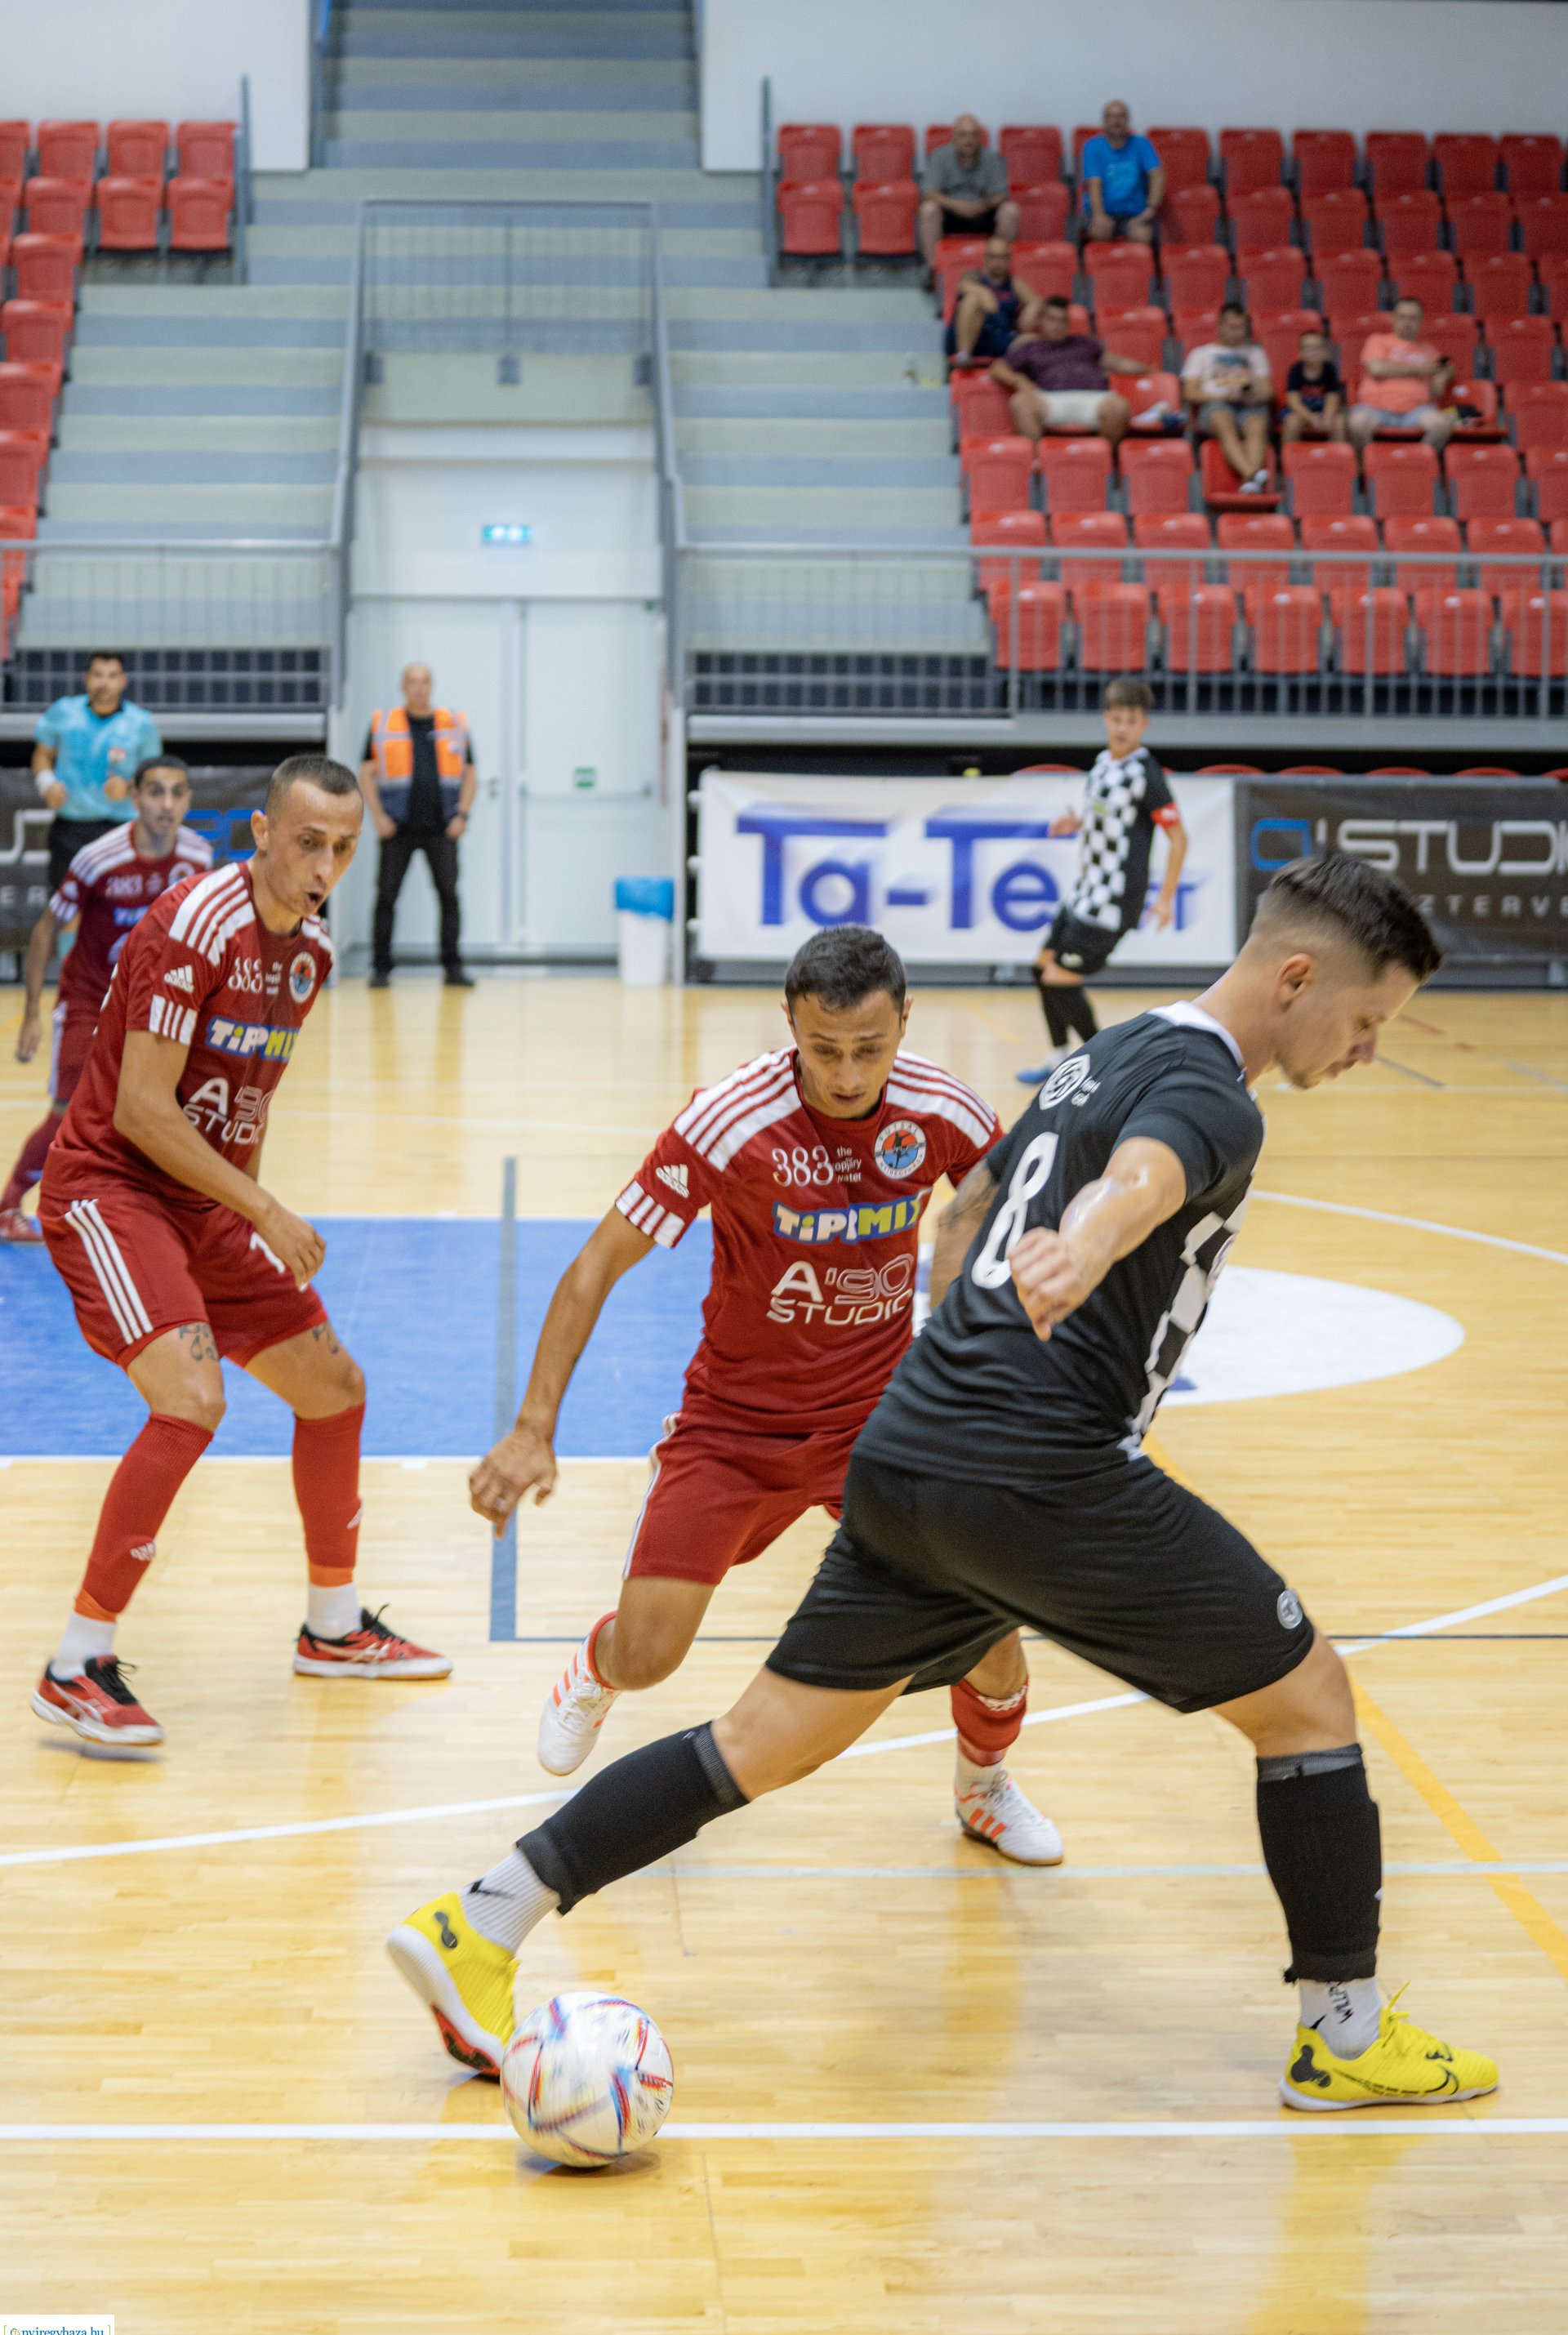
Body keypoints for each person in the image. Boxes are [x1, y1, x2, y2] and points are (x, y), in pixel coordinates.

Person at [390, 856, 1499, 2118]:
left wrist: (965, 1325)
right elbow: (1144, 1179)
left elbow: (969, 1200)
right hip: (1037, 1464)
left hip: (908, 1450)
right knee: (1309, 1701)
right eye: (1364, 1024)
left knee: (754, 1745)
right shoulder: (1212, 1098)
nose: (1362, 1051)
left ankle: (481, 1918)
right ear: (1297, 977)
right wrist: (1085, 1245)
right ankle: (1342, 2038)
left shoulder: (1111, 1046)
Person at [467, 925, 1061, 1896]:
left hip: (881, 1424)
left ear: (904, 1022)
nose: (845, 1073)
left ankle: (984, 1786)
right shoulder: (728, 1120)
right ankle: (597, 1668)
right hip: (734, 1429)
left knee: (988, 1622)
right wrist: (533, 1428)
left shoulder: (945, 1110)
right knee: (651, 1653)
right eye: (823, 1049)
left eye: (870, 1049)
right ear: (790, 1023)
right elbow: (594, 1268)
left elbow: (1012, 1217)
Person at [31, 754, 450, 1753]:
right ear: (261, 833)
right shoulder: (191, 926)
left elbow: (243, 1105)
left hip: (203, 1206)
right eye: (308, 841)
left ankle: (334, 1630)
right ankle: (75, 1663)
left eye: (344, 848)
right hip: (111, 1185)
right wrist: (262, 1209)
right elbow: (140, 1107)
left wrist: (238, 1216)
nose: (325, 865)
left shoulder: (311, 948)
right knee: (192, 1399)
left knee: (334, 1389)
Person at [1, 757, 211, 1245]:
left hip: (151, 1008)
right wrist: (32, 1013)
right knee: (66, 1110)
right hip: (88, 1000)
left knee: (164, 1109)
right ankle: (9, 1202)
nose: (166, 804)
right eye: (155, 792)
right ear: (135, 798)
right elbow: (46, 928)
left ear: (188, 802)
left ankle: (147, 1208)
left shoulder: (199, 857)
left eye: (177, 793)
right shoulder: (100, 857)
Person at [1017, 677, 1186, 1085]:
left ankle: (1103, 1065)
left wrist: (1165, 899)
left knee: (1060, 977)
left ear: (1144, 724)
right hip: (1086, 891)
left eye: (1131, 720)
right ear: (1106, 719)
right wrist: (1077, 822)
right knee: (1041, 970)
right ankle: (1059, 1057)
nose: (1122, 727)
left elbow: (1179, 837)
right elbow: (1108, 820)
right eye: (1116, 719)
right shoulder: (1102, 764)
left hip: (1114, 900)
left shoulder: (1147, 774)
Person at [360, 663, 477, 989]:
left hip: (443, 828)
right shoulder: (384, 723)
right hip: (397, 829)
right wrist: (378, 817)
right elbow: (366, 773)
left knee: (449, 896)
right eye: (413, 682)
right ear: (403, 686)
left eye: (424, 682)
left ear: (432, 685)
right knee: (386, 897)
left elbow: (470, 774)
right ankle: (381, 968)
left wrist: (462, 814)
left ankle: (453, 966)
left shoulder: (453, 724)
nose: (419, 688)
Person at [33, 653, 163, 895]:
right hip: (71, 826)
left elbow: (154, 775)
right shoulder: (64, 712)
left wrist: (130, 787)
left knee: (119, 906)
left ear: (123, 681)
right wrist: (47, 784)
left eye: (112, 676)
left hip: (121, 828)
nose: (104, 682)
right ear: (86, 678)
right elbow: (42, 755)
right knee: (66, 909)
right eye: (98, 675)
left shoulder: (141, 722)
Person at [989, 294, 1149, 449]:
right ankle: (1038, 465)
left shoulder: (1084, 344)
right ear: (1041, 321)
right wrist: (1019, 381)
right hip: (1049, 400)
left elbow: (1117, 362)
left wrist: (1151, 370)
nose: (1057, 325)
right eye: (1052, 319)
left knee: (1119, 407)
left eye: (1063, 320)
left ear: (1068, 324)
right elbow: (997, 368)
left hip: (1093, 399)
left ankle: (1102, 461)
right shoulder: (1030, 347)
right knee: (1020, 403)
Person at [1183, 303, 1275, 492]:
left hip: (1249, 405)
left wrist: (1253, 396)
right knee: (1223, 420)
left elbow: (1268, 391)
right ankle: (1252, 473)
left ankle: (1250, 480)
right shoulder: (1200, 354)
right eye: (1233, 327)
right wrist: (1222, 394)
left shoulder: (1256, 353)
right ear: (1220, 326)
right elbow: (1190, 393)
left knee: (1257, 423)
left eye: (1242, 327)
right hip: (1216, 404)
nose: (1238, 332)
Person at [919, 116, 1018, 286]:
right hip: (950, 213)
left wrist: (983, 205)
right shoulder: (940, 156)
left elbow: (1001, 195)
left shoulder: (992, 158)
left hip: (983, 212)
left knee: (1011, 210)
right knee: (928, 210)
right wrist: (957, 206)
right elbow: (929, 192)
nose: (968, 140)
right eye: (963, 135)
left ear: (980, 137)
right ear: (954, 137)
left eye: (973, 135)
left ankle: (997, 269)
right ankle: (934, 270)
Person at [1348, 298, 1454, 453]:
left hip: (1416, 411)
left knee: (1441, 425)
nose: (1407, 322)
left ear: (1421, 321)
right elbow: (1377, 369)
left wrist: (1443, 376)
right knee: (1358, 423)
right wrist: (1419, 370)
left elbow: (1447, 368)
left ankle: (1415, 464)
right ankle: (1369, 468)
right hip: (1375, 408)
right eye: (1402, 317)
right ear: (1394, 319)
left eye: (1413, 318)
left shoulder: (1428, 349)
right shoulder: (1378, 340)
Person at [1080, 102, 1165, 246]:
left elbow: (1158, 175)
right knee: (1100, 231)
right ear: (1104, 121)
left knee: (1142, 235)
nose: (1116, 121)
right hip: (1102, 210)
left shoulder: (1141, 144)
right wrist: (1100, 216)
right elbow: (1094, 183)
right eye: (1111, 117)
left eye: (1121, 116)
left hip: (1135, 214)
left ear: (1128, 120)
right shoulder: (1093, 146)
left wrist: (1149, 211)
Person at [946, 234, 1040, 365]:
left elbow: (1037, 301)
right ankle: (964, 356)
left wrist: (1032, 308)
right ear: (985, 257)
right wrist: (985, 294)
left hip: (999, 338)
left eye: (1003, 257)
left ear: (1009, 259)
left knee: (1034, 339)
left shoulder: (1015, 284)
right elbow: (966, 287)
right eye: (993, 256)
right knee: (972, 300)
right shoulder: (972, 276)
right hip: (967, 336)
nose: (998, 261)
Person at [1281, 328, 1348, 443]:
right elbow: (1293, 402)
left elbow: (1332, 398)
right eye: (1308, 348)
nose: (1312, 352)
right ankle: (1288, 459)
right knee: (1292, 422)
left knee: (1339, 422)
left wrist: (1327, 417)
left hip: (1324, 409)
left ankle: (1336, 459)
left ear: (1324, 351)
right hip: (1302, 411)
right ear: (1300, 352)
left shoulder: (1329, 369)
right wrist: (1311, 418)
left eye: (1317, 348)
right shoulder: (1295, 370)